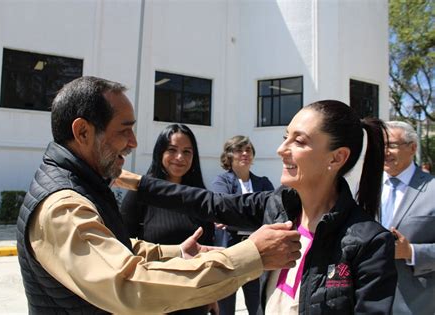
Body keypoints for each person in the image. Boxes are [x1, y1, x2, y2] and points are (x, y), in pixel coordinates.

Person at [16, 76, 302, 314]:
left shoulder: (85, 186)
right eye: (124, 130)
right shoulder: (64, 207)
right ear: (82, 132)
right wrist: (249, 256)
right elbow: (131, 284)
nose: (133, 142)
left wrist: (177, 253)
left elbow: (118, 247)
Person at [115, 100, 398, 314]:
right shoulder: (276, 206)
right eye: (285, 136)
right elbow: (208, 202)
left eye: (298, 141)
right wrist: (135, 182)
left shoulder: (368, 243)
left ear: (337, 158)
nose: (281, 149)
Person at [120, 123, 216, 315]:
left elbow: (209, 252)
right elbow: (122, 247)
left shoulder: (201, 198)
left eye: (187, 151)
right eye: (172, 150)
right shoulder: (139, 195)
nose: (180, 157)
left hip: (193, 299)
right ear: (160, 153)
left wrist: (212, 295)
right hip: (151, 298)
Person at [211, 136, 274, 315]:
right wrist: (253, 218)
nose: (245, 153)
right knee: (226, 306)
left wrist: (234, 218)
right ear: (229, 155)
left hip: (256, 252)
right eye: (239, 150)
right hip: (229, 252)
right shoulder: (221, 182)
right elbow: (223, 209)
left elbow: (271, 213)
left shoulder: (264, 183)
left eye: (249, 150)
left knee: (258, 305)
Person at [381, 121, 435, 314]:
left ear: (412, 148)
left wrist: (411, 252)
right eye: (381, 145)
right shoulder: (364, 188)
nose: (385, 151)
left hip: (416, 304)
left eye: (392, 145)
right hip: (367, 300)